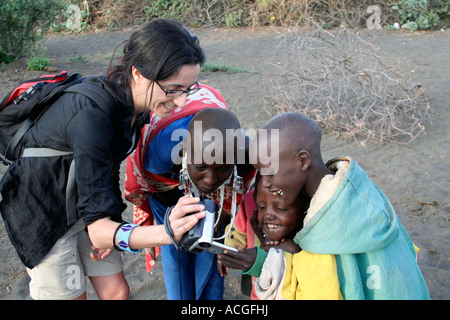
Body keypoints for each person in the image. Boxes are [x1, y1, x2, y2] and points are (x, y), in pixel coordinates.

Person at [0, 19, 207, 300]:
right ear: (138, 74)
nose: (181, 102)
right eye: (172, 89)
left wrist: (110, 221)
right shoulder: (92, 113)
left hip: (84, 198)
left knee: (117, 293)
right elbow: (99, 233)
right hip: (43, 208)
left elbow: (105, 165)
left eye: (188, 88)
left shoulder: (137, 106)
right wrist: (167, 232)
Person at [218, 112, 430, 300]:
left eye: (271, 173)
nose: (265, 183)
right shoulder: (358, 192)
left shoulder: (325, 226)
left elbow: (316, 290)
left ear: (302, 161)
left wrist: (264, 263)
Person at [125, 106, 256, 300]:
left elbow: (235, 196)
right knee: (175, 243)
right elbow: (152, 188)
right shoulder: (161, 156)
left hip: (206, 168)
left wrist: (222, 216)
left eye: (222, 168)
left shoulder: (247, 155)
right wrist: (179, 221)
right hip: (166, 184)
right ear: (186, 152)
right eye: (202, 166)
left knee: (212, 239)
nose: (210, 180)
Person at [222, 172, 309, 299]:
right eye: (261, 206)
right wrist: (227, 253)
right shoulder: (250, 203)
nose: (268, 215)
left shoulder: (300, 248)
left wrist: (263, 241)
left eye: (280, 208)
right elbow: (236, 234)